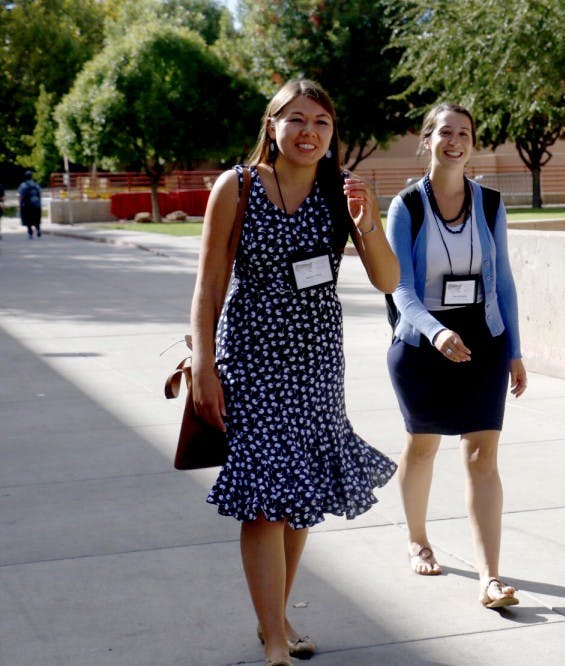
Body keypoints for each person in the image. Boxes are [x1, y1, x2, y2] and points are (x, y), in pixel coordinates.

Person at [189, 79, 400, 666]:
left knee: (299, 494)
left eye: (322, 123)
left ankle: (274, 618)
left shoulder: (342, 191)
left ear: (333, 134)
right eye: (297, 119)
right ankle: (277, 644)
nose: (309, 132)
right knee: (264, 501)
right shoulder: (236, 187)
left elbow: (387, 280)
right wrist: (204, 365)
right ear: (272, 124)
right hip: (251, 361)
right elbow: (209, 285)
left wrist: (369, 220)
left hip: (314, 362)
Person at [386, 103, 527, 609]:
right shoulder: (407, 206)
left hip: (483, 338)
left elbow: (504, 280)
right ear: (427, 140)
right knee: (422, 447)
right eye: (445, 132)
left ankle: (490, 576)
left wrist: (514, 349)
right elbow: (400, 288)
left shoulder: (489, 204)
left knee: (481, 454)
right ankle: (416, 538)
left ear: (472, 143)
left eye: (464, 133)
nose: (455, 141)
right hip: (422, 341)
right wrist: (436, 332)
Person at [18, 170, 42, 238]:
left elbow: (20, 196)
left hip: (27, 205)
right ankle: (38, 229)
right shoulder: (36, 184)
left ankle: (30, 232)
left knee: (28, 219)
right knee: (36, 218)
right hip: (36, 204)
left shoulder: (23, 185)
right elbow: (40, 194)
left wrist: (20, 204)